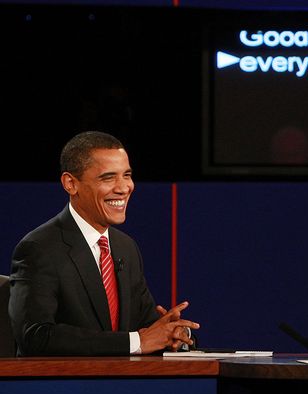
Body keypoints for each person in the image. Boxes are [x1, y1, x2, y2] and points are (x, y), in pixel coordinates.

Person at [8, 130, 198, 356]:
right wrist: (137, 341)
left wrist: (173, 335)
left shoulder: (125, 248)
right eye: (108, 178)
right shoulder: (39, 248)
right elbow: (35, 335)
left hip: (123, 385)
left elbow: (147, 326)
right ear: (71, 183)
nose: (123, 187)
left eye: (126, 175)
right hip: (65, 388)